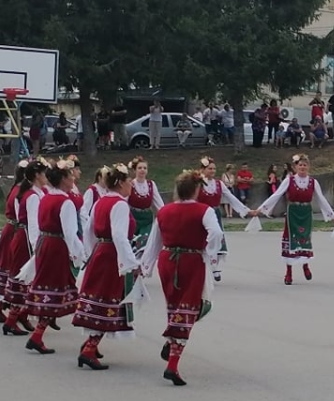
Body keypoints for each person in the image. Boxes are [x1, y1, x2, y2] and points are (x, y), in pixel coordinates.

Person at [141, 170, 224, 386]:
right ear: (196, 189)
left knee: (176, 307)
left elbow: (154, 241)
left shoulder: (164, 211)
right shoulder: (204, 210)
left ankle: (171, 341)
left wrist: (146, 266)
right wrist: (210, 251)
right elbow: (216, 233)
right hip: (191, 261)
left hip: (167, 261)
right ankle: (173, 363)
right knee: (191, 308)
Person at [72, 164, 141, 370]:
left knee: (100, 298)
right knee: (109, 299)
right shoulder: (119, 204)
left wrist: (91, 252)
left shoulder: (102, 201)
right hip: (112, 255)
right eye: (129, 181)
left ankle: (90, 345)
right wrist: (130, 262)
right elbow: (120, 236)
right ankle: (89, 349)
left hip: (101, 251)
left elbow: (89, 229)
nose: (132, 185)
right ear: (120, 183)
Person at [23, 158, 86, 354]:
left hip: (45, 243)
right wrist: (79, 254)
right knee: (55, 288)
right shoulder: (64, 202)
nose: (73, 181)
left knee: (49, 287)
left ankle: (37, 334)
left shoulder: (46, 197)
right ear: (63, 180)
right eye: (70, 177)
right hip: (56, 246)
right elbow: (69, 232)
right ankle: (36, 333)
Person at [252, 154, 334, 285]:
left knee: (305, 239)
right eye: (300, 165)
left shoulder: (313, 182)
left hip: (306, 212)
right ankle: (288, 272)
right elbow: (277, 194)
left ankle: (305, 266)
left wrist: (333, 216)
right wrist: (261, 209)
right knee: (290, 239)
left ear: (308, 167)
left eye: (305, 165)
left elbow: (321, 199)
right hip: (293, 212)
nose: (302, 167)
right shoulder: (289, 180)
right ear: (296, 167)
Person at [1, 159, 48, 336]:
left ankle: (14, 318)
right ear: (36, 175)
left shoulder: (31, 193)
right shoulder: (33, 196)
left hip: (22, 235)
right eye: (43, 174)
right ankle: (12, 319)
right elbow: (34, 224)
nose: (46, 177)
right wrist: (38, 247)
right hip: (27, 237)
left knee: (24, 279)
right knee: (25, 278)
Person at [197, 156, 250, 281]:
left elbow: (231, 198)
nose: (213, 171)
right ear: (203, 169)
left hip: (214, 214)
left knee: (216, 237)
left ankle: (215, 267)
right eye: (210, 169)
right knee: (201, 241)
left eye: (214, 169)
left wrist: (246, 210)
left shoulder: (218, 184)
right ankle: (201, 268)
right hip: (201, 214)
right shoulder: (197, 183)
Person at [0, 162, 26, 323]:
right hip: (14, 231)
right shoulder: (20, 192)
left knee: (9, 268)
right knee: (11, 269)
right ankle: (0, 307)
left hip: (11, 230)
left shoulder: (16, 189)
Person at [127, 157, 164, 242]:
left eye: (145, 168)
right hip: (133, 218)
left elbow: (159, 203)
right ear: (134, 170)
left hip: (147, 219)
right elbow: (124, 202)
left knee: (145, 240)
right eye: (139, 168)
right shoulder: (130, 185)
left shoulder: (151, 184)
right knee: (133, 241)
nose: (142, 170)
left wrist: (165, 215)